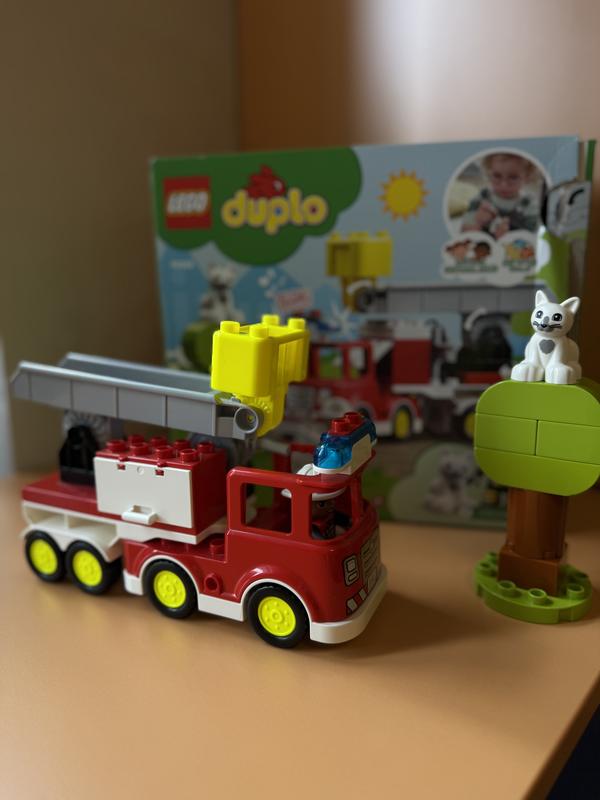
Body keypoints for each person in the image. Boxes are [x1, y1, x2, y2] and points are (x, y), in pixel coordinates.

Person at [461, 153, 540, 238]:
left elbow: (532, 237)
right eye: (497, 176)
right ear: (488, 173)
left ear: (527, 177)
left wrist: (508, 236)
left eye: (513, 177)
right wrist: (477, 222)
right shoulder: (483, 196)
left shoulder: (529, 204)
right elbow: (464, 231)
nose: (503, 185)